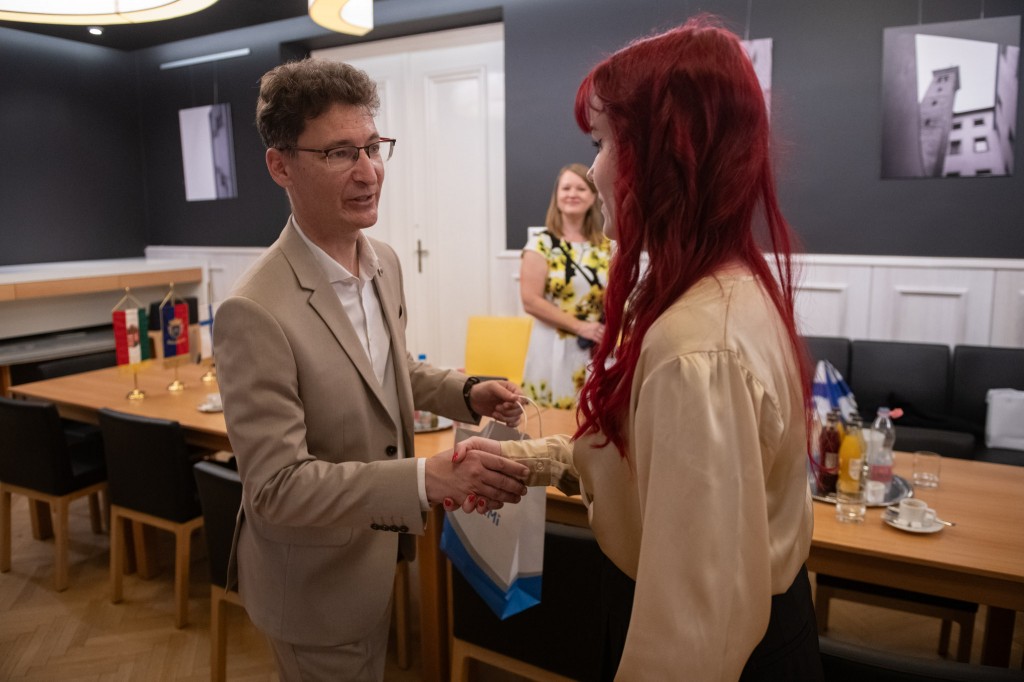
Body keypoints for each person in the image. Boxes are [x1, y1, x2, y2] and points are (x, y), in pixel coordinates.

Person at [456, 17, 822, 681]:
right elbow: (653, 471)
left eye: (602, 143)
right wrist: (539, 460)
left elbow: (691, 634)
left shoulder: (695, 348)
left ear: (667, 153)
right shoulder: (719, 290)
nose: (593, 170)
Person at [213, 58, 530, 682]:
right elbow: (275, 489)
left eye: (373, 147)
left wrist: (466, 392)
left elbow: (385, 368)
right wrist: (423, 479)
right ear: (280, 166)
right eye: (339, 153)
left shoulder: (382, 259)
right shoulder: (253, 311)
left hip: (375, 556)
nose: (368, 173)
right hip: (313, 586)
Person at [520, 163, 612, 408]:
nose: (572, 194)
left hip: (594, 348)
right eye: (566, 188)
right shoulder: (540, 244)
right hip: (551, 346)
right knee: (548, 419)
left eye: (581, 188)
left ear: (593, 196)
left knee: (591, 415)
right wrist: (580, 327)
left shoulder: (606, 245)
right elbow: (530, 301)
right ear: (557, 196)